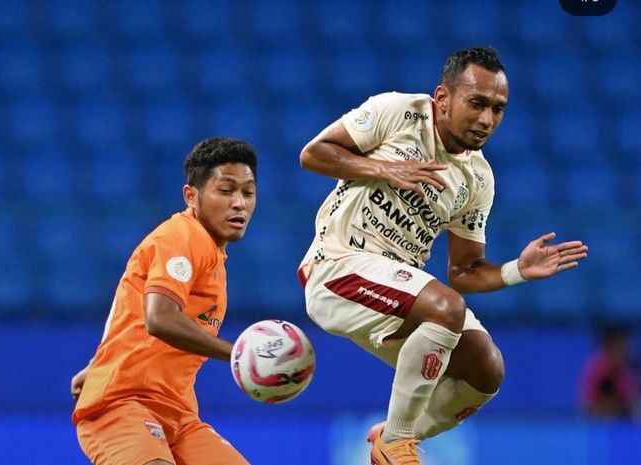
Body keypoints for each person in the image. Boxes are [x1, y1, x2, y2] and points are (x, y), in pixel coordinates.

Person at [297, 47, 588, 465]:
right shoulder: (398, 112)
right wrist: (384, 169)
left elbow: (464, 271)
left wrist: (516, 271)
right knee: (446, 309)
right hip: (337, 267)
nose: (487, 119)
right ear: (443, 98)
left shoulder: (479, 178)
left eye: (498, 109)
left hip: (392, 286)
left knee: (485, 370)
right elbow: (314, 154)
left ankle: (395, 437)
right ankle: (397, 443)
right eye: (477, 103)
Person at [70, 137, 257, 465]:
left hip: (178, 416)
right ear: (191, 196)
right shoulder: (182, 236)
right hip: (122, 405)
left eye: (248, 192)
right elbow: (160, 318)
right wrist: (240, 354)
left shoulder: (213, 258)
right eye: (226, 191)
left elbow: (129, 304)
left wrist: (98, 364)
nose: (239, 203)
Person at [580, 326, 638, 418]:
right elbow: (590, 407)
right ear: (609, 348)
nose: (626, 351)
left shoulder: (625, 370)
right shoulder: (597, 369)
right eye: (620, 347)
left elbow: (633, 403)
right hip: (599, 425)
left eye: (625, 347)